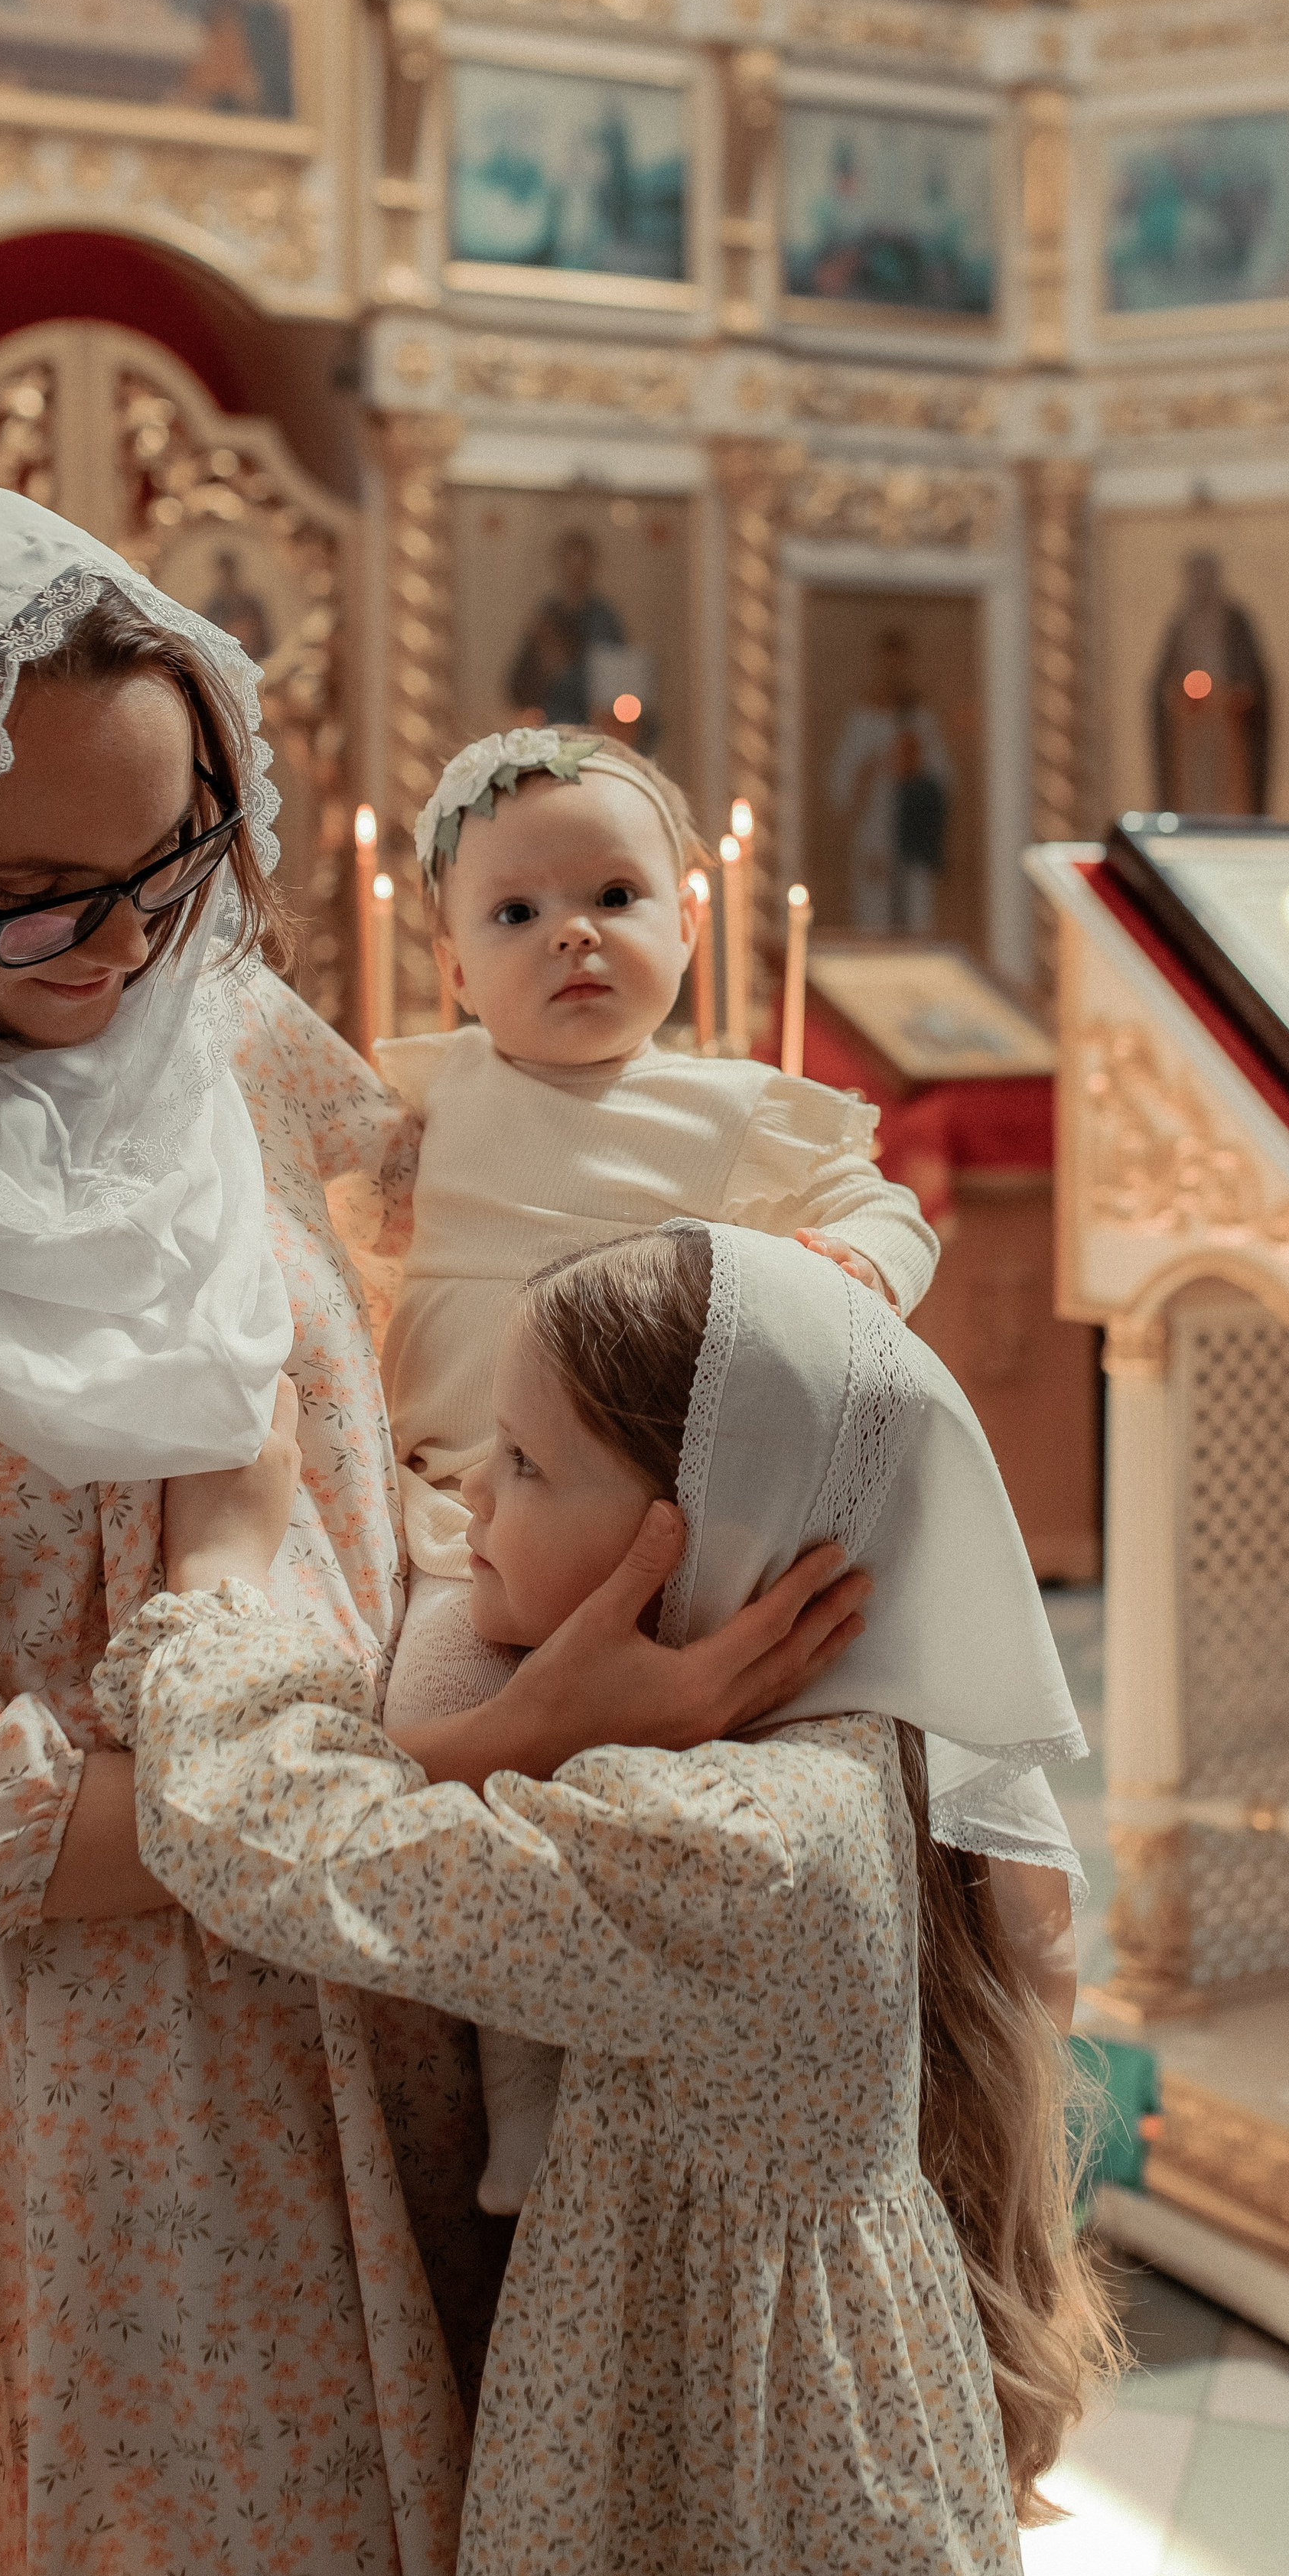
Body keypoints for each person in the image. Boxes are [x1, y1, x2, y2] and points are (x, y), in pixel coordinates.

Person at [0, 486, 871, 2576]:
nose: (123, 949)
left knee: (539, 2537)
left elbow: (515, 1240)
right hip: (126, 2074)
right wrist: (476, 1756)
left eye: (181, 857)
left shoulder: (229, 1037)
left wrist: (780, 1223)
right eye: (30, 901)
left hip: (453, 1959)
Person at [102, 1220, 1118, 2576]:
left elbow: (288, 1846)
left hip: (746, 2496)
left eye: (525, 1464)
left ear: (703, 1535)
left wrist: (217, 1576)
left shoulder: (744, 1847)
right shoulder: (820, 1745)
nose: (464, 1492)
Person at [367, 723, 1081, 2209]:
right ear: (446, 966)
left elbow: (881, 1210)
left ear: (687, 923)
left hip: (700, 1537)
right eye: (512, 913)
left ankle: (1000, 1980)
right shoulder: (419, 1110)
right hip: (470, 1527)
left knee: (859, 1749)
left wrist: (850, 1265)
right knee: (442, 1721)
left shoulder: (734, 1110)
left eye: (614, 897)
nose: (570, 933)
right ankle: (515, 2101)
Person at [825, 623, 954, 935]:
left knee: (917, 919)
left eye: (900, 663)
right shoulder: (862, 719)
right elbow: (840, 786)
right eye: (887, 663)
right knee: (874, 919)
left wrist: (914, 767)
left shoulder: (920, 720)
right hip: (875, 836)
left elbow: (944, 781)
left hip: (913, 835)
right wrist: (871, 769)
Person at [1148, 547, 1271, 818]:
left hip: (1228, 725)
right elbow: (1162, 683)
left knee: (1228, 788)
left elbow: (1252, 680)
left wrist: (1234, 695)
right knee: (1194, 788)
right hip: (1189, 729)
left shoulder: (1235, 621)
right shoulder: (1181, 623)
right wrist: (1180, 695)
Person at [505, 529, 625, 727]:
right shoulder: (546, 613)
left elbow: (614, 678)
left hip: (593, 722)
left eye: (582, 564)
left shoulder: (603, 617)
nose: (575, 572)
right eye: (569, 563)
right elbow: (521, 680)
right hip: (549, 721)